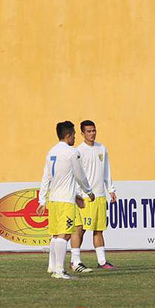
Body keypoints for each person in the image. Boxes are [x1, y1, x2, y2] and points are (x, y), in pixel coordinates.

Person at [40, 121, 94, 280]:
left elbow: (46, 177)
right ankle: (59, 271)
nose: (75, 138)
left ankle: (52, 266)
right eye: (74, 135)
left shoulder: (51, 152)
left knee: (56, 235)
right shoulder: (72, 152)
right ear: (68, 135)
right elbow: (80, 176)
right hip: (65, 202)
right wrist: (88, 192)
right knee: (65, 235)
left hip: (54, 199)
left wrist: (42, 200)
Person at [70, 120, 116, 273]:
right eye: (88, 131)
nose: (92, 134)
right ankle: (75, 260)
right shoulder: (79, 151)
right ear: (82, 133)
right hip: (84, 197)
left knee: (98, 229)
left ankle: (102, 261)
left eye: (94, 130)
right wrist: (78, 194)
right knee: (80, 229)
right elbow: (76, 175)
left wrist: (111, 189)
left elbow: (106, 170)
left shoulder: (102, 148)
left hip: (100, 196)